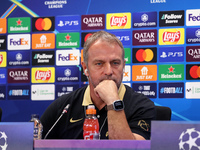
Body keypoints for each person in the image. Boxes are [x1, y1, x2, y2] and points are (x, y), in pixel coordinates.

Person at [40, 30, 156, 140]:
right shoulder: (63, 108)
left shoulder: (142, 106)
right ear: (85, 68)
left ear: (123, 66)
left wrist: (113, 101)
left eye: (115, 63)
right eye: (99, 63)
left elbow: (129, 149)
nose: (109, 71)